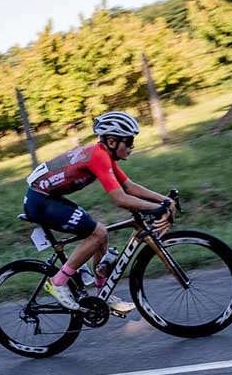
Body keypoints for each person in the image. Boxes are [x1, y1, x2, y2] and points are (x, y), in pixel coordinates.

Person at [24, 111, 173, 312]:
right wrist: (157, 208)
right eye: (129, 142)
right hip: (40, 201)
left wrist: (164, 200)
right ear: (112, 141)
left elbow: (129, 187)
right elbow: (120, 199)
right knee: (98, 232)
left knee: (100, 235)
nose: (132, 146)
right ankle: (57, 282)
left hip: (49, 198)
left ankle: (103, 294)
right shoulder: (99, 157)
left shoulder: (104, 154)